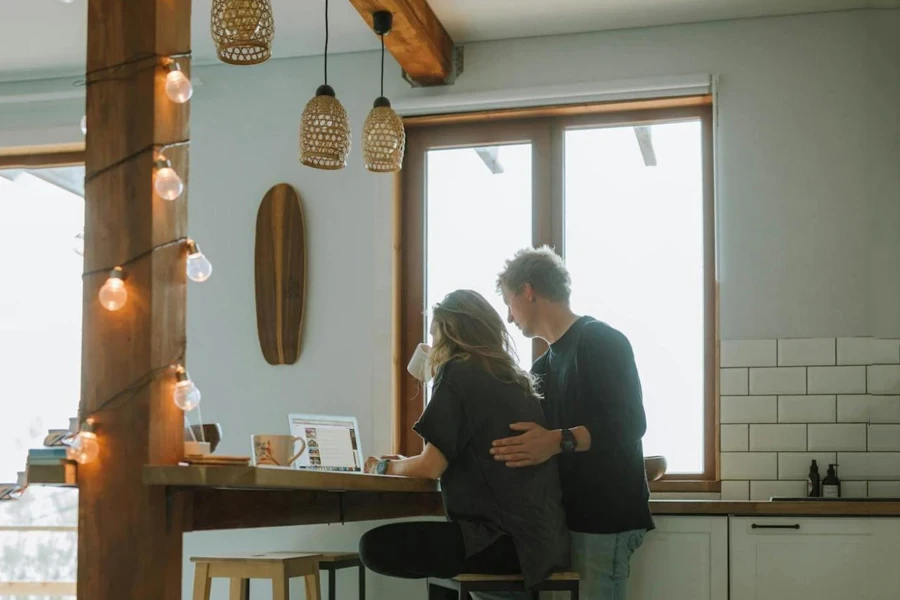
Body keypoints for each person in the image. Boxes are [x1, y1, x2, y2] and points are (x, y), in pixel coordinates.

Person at [358, 289, 570, 592]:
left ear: (448, 331)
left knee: (373, 546)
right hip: (542, 542)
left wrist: (383, 468)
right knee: (439, 555)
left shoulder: (458, 371)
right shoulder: (513, 379)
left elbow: (431, 466)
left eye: (434, 334)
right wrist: (408, 464)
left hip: (502, 542)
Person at [491, 246, 654, 600]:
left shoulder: (600, 341)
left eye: (509, 302)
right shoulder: (543, 367)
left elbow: (630, 423)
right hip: (573, 520)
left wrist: (554, 441)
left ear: (528, 291)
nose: (508, 317)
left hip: (606, 519)